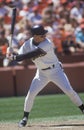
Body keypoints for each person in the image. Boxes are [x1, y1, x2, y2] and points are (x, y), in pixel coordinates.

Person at [6, 25, 84, 127]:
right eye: (42, 35)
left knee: (69, 91)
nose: (44, 36)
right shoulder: (27, 44)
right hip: (41, 73)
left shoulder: (47, 43)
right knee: (31, 94)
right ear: (35, 36)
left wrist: (14, 57)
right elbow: (20, 58)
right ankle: (25, 118)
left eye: (44, 34)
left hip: (56, 71)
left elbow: (31, 54)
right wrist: (11, 52)